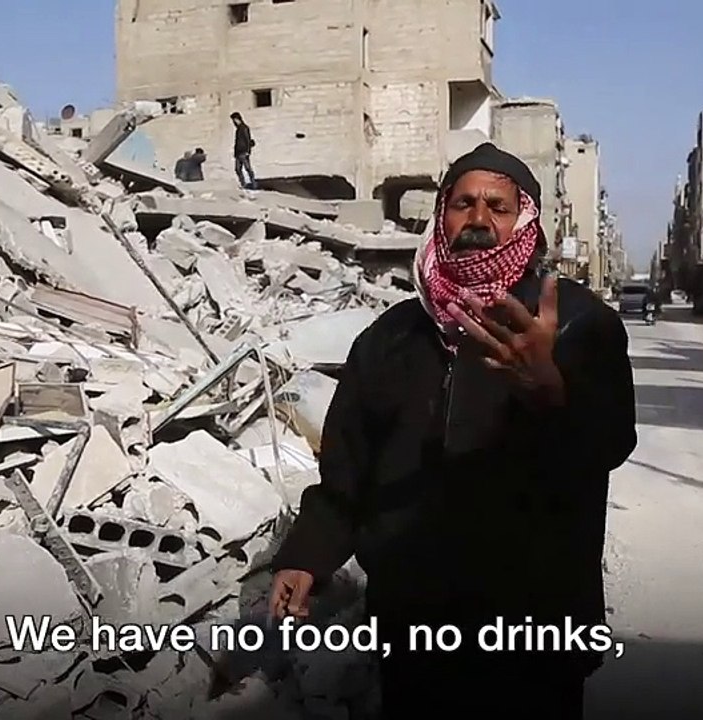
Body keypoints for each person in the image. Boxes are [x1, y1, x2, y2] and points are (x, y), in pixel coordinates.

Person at [267, 142, 637, 718]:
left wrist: (554, 395)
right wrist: (308, 553)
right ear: (442, 216)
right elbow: (349, 466)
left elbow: (612, 443)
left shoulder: (580, 324)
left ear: (527, 221)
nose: (480, 219)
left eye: (498, 205)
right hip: (416, 619)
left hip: (537, 617)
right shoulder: (393, 336)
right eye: (464, 204)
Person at [230, 112, 257, 189]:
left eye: (234, 120)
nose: (234, 122)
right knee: (238, 169)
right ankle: (243, 184)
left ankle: (253, 183)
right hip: (238, 152)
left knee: (247, 168)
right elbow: (237, 141)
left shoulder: (244, 128)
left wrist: (248, 151)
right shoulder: (238, 129)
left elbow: (247, 140)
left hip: (243, 151)